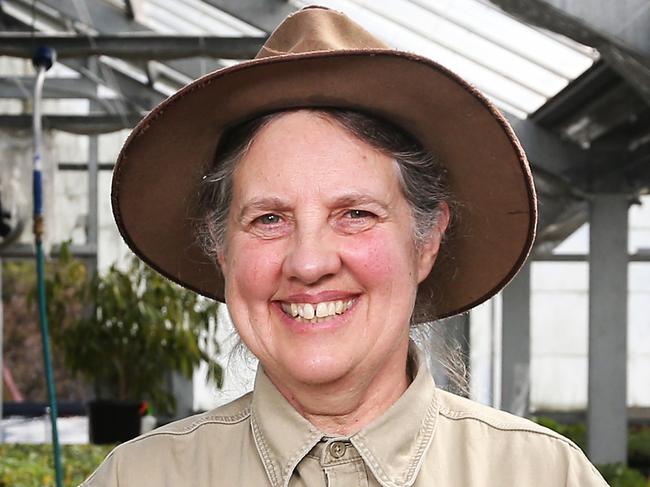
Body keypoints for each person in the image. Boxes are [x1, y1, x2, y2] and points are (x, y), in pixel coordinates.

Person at [83, 6, 608, 487]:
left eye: (355, 214)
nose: (309, 263)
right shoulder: (137, 478)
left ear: (426, 241)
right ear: (223, 250)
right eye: (269, 218)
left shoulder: (543, 475)